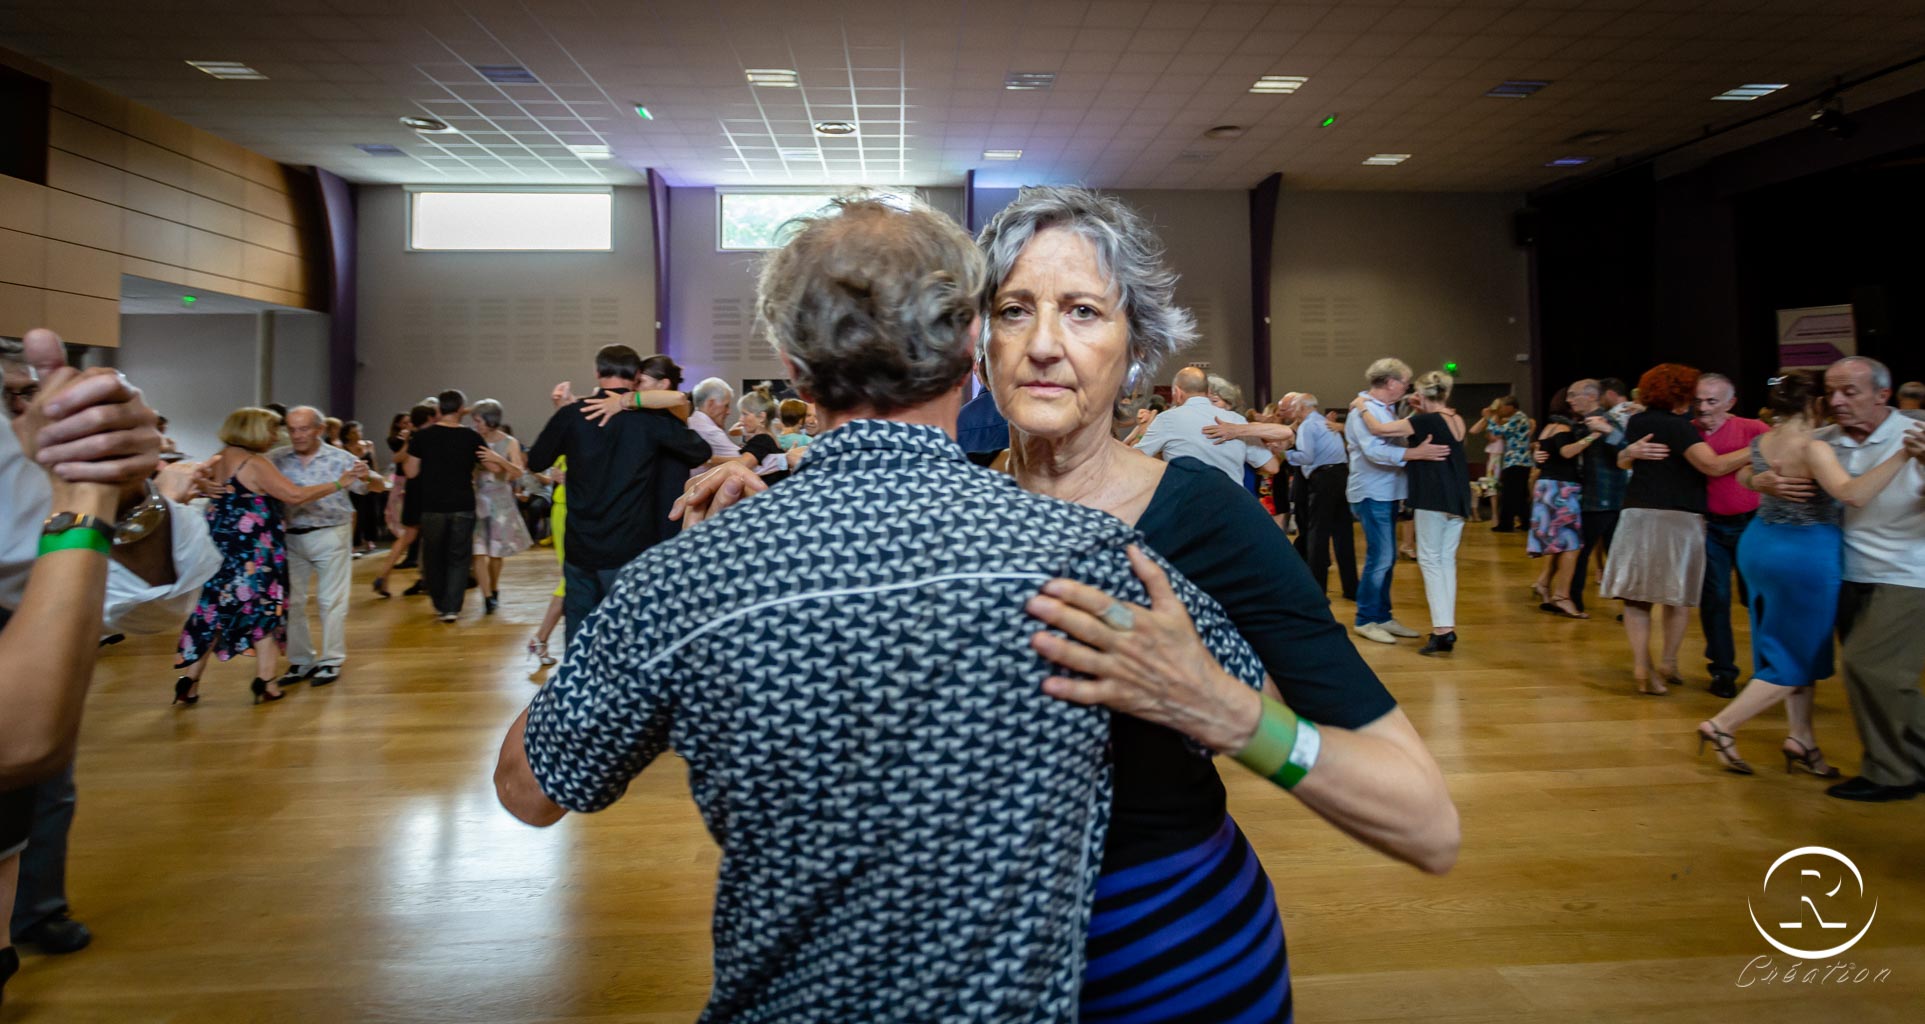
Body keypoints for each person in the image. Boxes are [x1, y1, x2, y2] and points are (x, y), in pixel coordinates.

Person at [675, 187, 1460, 1021]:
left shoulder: (1204, 517)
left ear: (1135, 349)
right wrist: (765, 497)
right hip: (958, 969)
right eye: (1015, 310)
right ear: (975, 342)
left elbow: (1423, 820)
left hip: (1160, 956)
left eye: (1083, 311)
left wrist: (1226, 709)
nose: (1045, 345)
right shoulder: (959, 498)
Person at [496, 196, 1281, 1022]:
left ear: (790, 364)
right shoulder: (1084, 557)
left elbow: (528, 790)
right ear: (973, 350)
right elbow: (1230, 702)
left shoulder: (681, 583)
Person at [1696, 370, 1917, 776]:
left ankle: (1802, 740)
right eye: (1829, 396)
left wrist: (1758, 481)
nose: (1835, 403)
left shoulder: (1764, 438)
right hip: (1803, 552)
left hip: (1760, 543)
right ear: (1815, 403)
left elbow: (1745, 472)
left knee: (1780, 642)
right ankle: (1722, 726)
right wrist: (1903, 454)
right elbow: (1852, 494)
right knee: (1799, 653)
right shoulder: (1815, 447)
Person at [1754, 356, 1925, 801]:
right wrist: (1762, 481)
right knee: (1875, 677)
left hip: (1908, 570)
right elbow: (1741, 462)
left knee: (1870, 666)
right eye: (1831, 392)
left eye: (1850, 391)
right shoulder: (1824, 439)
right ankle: (1906, 762)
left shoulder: (1915, 432)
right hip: (1846, 571)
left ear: (1882, 395)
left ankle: (1891, 773)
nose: (1837, 401)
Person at [174, 407, 364, 704]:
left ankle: (189, 681)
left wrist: (202, 487)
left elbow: (192, 488)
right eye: (273, 431)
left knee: (213, 614)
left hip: (221, 550)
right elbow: (295, 496)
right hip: (254, 552)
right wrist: (340, 483)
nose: (278, 437)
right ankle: (266, 682)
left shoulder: (219, 458)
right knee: (265, 612)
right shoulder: (254, 463)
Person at [526, 346, 709, 644]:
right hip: (630, 546)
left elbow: (535, 461)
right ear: (636, 377)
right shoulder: (649, 420)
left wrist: (565, 419)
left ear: (597, 373)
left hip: (581, 543)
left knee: (579, 630)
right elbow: (700, 451)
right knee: (626, 632)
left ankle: (580, 686)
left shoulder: (573, 415)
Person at [1605, 365, 1751, 695]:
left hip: (1636, 514)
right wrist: (1757, 450)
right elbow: (1713, 465)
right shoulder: (1679, 426)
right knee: (1678, 596)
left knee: (1637, 598)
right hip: (1675, 519)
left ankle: (1644, 666)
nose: (1698, 404)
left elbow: (1623, 461)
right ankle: (1668, 662)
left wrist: (1627, 454)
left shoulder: (1639, 421)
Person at [1351, 371, 1470, 652]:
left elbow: (1378, 430)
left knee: (1430, 561)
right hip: (1458, 498)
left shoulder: (1423, 421)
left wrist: (1361, 407)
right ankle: (1447, 627)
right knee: (1445, 563)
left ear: (1422, 393)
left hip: (1434, 497)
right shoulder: (1457, 419)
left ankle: (1442, 631)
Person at [268, 407, 369, 688]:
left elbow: (370, 486)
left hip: (330, 533)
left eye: (303, 429)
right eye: (292, 430)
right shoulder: (275, 459)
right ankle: (301, 660)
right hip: (291, 536)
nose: (297, 435)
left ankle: (331, 660)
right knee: (293, 602)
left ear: (319, 429)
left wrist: (367, 476)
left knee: (331, 600)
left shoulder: (340, 458)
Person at [1692, 373, 1770, 697]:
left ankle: (1770, 671)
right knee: (1715, 599)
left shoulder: (1754, 429)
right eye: (1698, 400)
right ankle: (1723, 670)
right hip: (1708, 526)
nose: (1703, 407)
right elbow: (1714, 468)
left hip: (1751, 524)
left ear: (1730, 403)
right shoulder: (1689, 432)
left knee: (1758, 599)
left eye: (1712, 401)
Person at [403, 390, 484, 623]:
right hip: (463, 505)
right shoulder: (471, 437)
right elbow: (488, 465)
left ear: (438, 409)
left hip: (432, 506)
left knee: (433, 556)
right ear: (461, 409)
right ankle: (452, 608)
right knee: (459, 557)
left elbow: (411, 471)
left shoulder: (423, 437)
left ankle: (440, 603)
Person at [1134, 366, 1281, 485]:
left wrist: (1141, 430)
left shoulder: (1167, 419)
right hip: (1232, 504)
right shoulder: (1237, 422)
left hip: (1189, 506)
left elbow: (1137, 459)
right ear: (1208, 391)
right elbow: (1272, 467)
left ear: (1177, 393)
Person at [1562, 379, 1626, 614]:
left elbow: (1625, 449)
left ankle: (1573, 600)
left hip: (1602, 499)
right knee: (1602, 552)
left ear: (1591, 396)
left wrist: (1605, 432)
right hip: (1597, 499)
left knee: (1583, 551)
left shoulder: (1607, 422)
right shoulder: (1584, 424)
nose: (1569, 400)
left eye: (1573, 394)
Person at [467, 399, 533, 615]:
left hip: (500, 500)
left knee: (495, 553)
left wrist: (498, 460)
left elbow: (518, 472)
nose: (476, 425)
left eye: (478, 420)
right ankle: (486, 597)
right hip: (477, 499)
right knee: (478, 552)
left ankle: (494, 588)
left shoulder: (509, 442)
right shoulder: (473, 440)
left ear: (489, 419)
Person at [1527, 400, 1591, 619]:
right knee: (1571, 544)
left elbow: (1542, 455)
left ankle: (1544, 584)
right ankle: (1562, 596)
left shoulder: (1549, 427)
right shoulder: (1564, 428)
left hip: (1548, 486)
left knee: (1559, 543)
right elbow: (1566, 452)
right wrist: (1594, 436)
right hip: (1561, 489)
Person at [372, 404, 434, 597]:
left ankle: (384, 575)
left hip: (412, 490)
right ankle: (426, 579)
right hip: (422, 490)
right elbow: (398, 460)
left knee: (408, 536)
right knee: (426, 537)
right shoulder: (424, 438)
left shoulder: (415, 438)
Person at [1472, 395, 1534, 532]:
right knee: (1520, 495)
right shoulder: (1519, 417)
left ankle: (1506, 524)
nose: (1501, 410)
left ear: (1511, 407)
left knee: (1510, 494)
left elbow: (1499, 431)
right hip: (1521, 462)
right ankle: (1526, 522)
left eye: (1503, 407)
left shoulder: (1518, 418)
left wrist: (1488, 418)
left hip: (1516, 461)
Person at [734, 386, 792, 482]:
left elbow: (741, 464)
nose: (740, 419)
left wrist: (711, 460)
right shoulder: (770, 438)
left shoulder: (762, 439)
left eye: (745, 414)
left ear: (761, 417)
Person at [687, 377, 744, 466]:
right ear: (711, 404)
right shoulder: (709, 431)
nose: (729, 412)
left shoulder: (691, 422)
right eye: (726, 406)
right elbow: (745, 462)